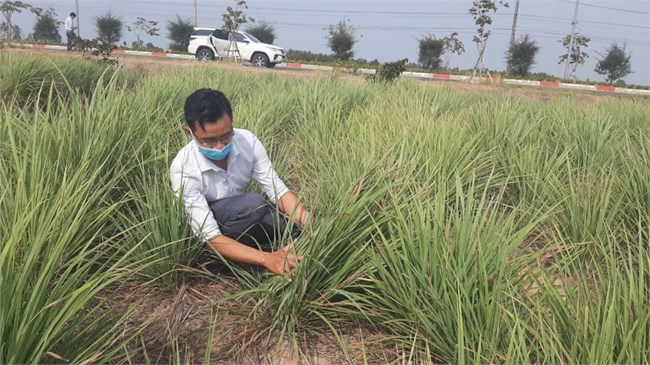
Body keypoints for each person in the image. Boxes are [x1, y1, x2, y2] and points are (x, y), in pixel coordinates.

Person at [170, 88, 309, 277]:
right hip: (204, 227)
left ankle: (243, 249)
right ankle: (220, 257)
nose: (220, 146)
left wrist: (312, 224)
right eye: (209, 140)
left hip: (238, 214)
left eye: (226, 136)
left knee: (290, 229)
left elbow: (277, 189)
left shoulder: (248, 142)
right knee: (253, 204)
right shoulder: (183, 167)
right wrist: (266, 259)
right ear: (190, 133)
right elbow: (209, 236)